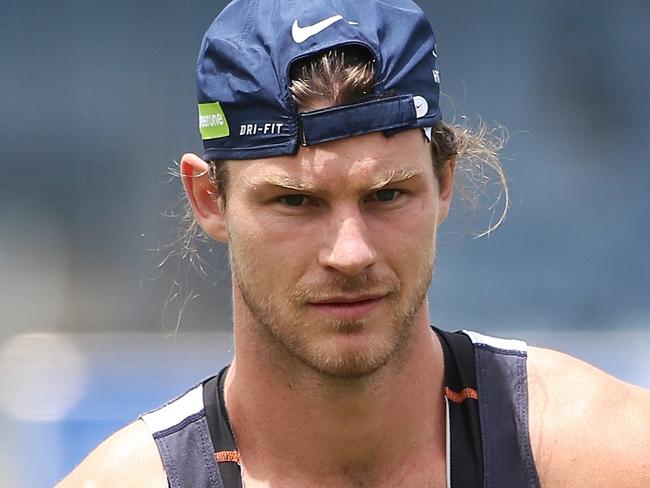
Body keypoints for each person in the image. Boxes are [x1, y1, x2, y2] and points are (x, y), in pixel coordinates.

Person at [58, 0, 650, 487]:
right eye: (296, 201)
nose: (350, 253)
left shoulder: (600, 454)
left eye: (387, 195)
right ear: (210, 199)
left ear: (444, 181)